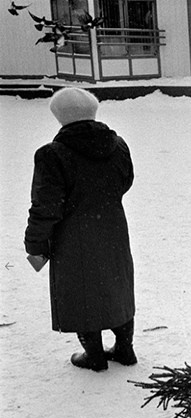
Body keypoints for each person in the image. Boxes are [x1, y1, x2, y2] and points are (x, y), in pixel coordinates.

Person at [24, 87, 137, 372]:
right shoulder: (118, 145)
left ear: (60, 116)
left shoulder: (52, 155)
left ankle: (95, 356)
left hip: (73, 234)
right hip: (113, 227)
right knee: (117, 284)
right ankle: (125, 348)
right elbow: (126, 181)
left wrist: (35, 244)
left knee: (81, 291)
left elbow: (45, 206)